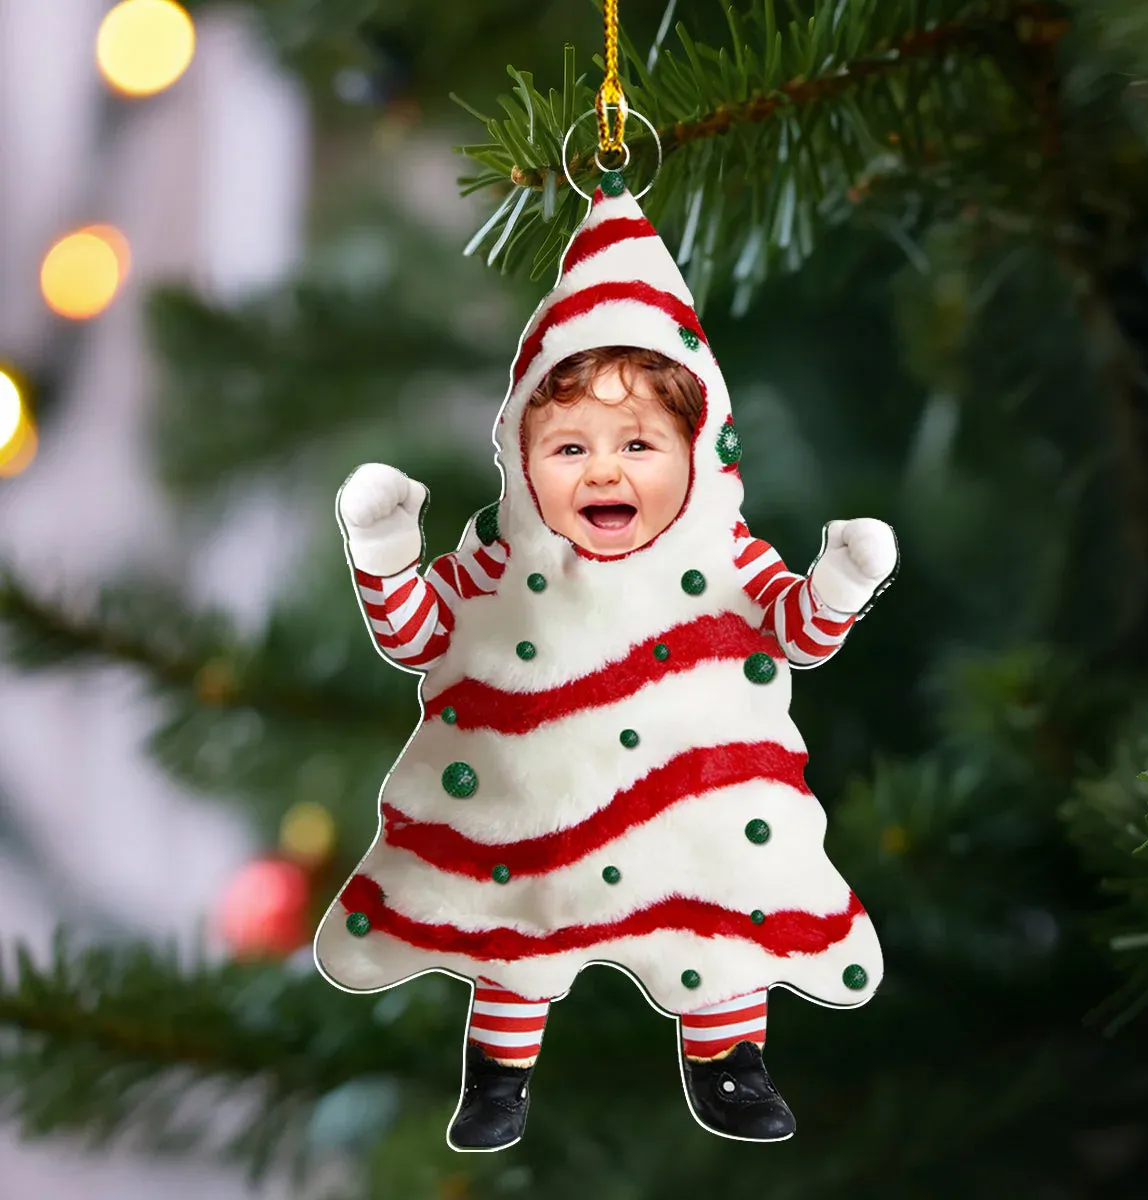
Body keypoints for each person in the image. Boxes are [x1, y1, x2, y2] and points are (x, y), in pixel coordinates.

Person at [313, 177, 899, 1153]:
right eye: (570, 444)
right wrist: (385, 555)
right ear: (520, 456)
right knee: (518, 935)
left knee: (718, 925)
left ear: (700, 456)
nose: (604, 471)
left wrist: (839, 580)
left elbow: (798, 633)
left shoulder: (729, 560)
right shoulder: (497, 560)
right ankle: (497, 1080)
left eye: (639, 443)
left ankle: (730, 1066)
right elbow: (416, 637)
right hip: (533, 824)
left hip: (697, 818)